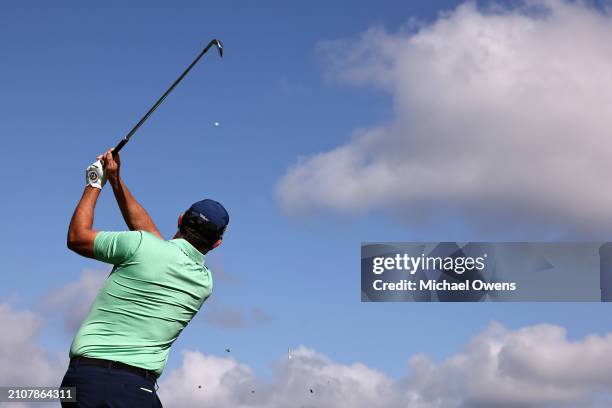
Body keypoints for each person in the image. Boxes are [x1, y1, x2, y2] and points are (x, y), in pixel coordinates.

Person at [60, 149, 229, 407]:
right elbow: (152, 238)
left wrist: (95, 182)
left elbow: (77, 237)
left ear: (180, 219)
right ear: (216, 244)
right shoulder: (204, 283)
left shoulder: (141, 246)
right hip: (139, 391)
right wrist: (116, 181)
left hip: (82, 381)